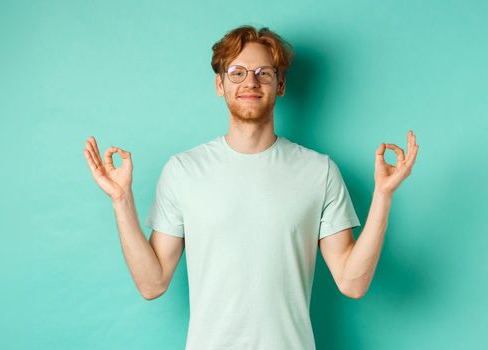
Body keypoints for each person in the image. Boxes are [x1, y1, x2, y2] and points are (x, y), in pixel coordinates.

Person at [82, 25, 419, 350]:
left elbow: (352, 282)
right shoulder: (183, 170)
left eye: (263, 73)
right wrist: (121, 199)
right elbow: (152, 283)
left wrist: (383, 196)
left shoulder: (319, 171)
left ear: (280, 85)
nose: (251, 82)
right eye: (237, 72)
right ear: (220, 84)